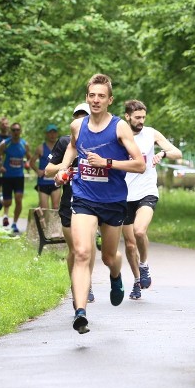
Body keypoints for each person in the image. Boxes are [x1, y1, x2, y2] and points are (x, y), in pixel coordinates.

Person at [53, 74, 145, 334]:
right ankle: (80, 312)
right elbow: (72, 148)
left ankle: (116, 276)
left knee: (108, 256)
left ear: (109, 100)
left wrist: (107, 163)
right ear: (86, 97)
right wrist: (62, 169)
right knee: (82, 252)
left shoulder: (119, 128)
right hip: (84, 197)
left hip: (114, 200)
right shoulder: (77, 126)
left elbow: (139, 164)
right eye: (92, 95)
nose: (96, 100)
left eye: (101, 96)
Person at [121, 100, 183, 300]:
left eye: (143, 118)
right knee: (130, 245)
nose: (140, 121)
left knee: (140, 230)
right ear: (127, 116)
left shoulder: (151, 133)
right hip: (123, 194)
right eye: (137, 117)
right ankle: (137, 281)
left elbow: (177, 153)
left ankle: (144, 264)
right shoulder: (119, 134)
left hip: (147, 190)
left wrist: (163, 153)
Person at [44, 103, 96, 302]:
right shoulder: (64, 142)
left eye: (85, 117)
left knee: (87, 246)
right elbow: (48, 170)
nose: (80, 120)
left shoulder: (100, 143)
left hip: (91, 202)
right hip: (69, 202)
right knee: (75, 249)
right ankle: (76, 285)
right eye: (77, 117)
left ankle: (86, 284)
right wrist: (65, 168)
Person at [0, 122, 31, 234]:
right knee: (8, 202)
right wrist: (0, 167)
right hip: (7, 176)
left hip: (19, 176)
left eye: (17, 130)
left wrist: (28, 164)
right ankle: (1, 199)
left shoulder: (24, 144)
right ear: (10, 131)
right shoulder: (5, 144)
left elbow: (29, 158)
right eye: (13, 130)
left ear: (20, 131)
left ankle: (14, 223)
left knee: (18, 199)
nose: (15, 132)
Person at [32, 124, 62, 210]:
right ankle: (43, 222)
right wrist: (37, 171)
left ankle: (53, 224)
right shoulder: (41, 148)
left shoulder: (60, 147)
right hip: (43, 182)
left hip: (55, 181)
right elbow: (32, 162)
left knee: (56, 207)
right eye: (50, 132)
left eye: (54, 132)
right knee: (44, 209)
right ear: (46, 134)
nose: (52, 135)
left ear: (57, 134)